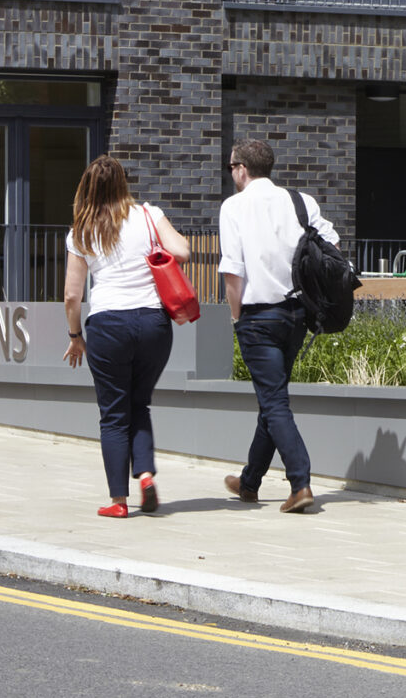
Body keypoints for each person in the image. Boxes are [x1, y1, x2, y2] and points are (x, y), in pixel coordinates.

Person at [62, 154, 193, 519]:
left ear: (87, 187)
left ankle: (119, 501)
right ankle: (146, 476)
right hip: (153, 323)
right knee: (140, 404)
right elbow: (183, 251)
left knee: (114, 414)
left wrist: (75, 335)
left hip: (108, 326)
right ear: (123, 184)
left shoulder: (80, 231)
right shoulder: (149, 215)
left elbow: (73, 295)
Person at [217, 136, 337, 513]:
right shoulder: (301, 202)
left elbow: (233, 270)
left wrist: (236, 319)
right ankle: (250, 482)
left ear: (241, 168)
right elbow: (331, 243)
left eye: (231, 167)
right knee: (272, 401)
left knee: (274, 401)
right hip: (297, 314)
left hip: (257, 318)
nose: (231, 173)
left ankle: (300, 483)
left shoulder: (234, 207)